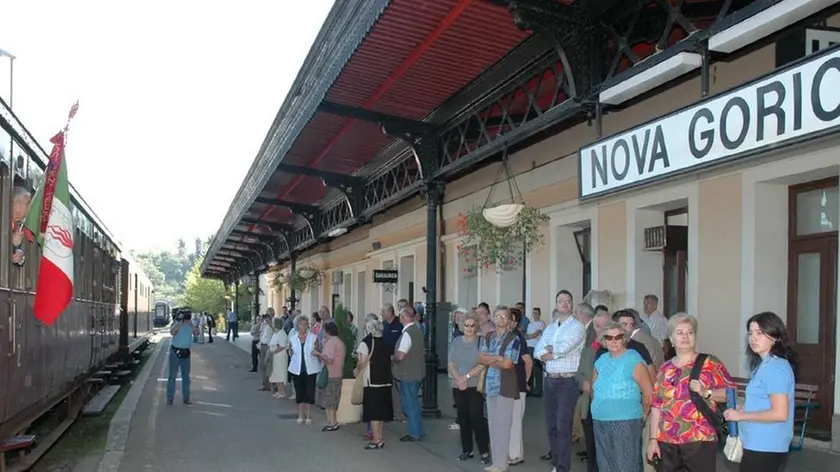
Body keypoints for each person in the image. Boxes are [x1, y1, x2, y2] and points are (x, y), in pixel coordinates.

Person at [723, 312, 797, 472]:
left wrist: (742, 416)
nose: (753, 338)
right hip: (758, 443)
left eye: (760, 333)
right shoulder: (764, 366)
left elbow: (780, 413)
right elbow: (765, 402)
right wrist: (745, 409)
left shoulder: (775, 368)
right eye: (750, 333)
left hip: (766, 445)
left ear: (775, 336)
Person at [591, 322, 653, 472]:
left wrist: (644, 414)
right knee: (605, 465)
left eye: (618, 337)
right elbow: (594, 388)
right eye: (609, 337)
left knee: (625, 466)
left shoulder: (633, 359)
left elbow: (648, 392)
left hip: (626, 421)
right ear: (603, 340)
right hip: (600, 420)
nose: (613, 341)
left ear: (624, 338)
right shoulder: (601, 360)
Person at [448, 312, 490, 464]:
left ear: (476, 326)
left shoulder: (481, 342)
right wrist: (458, 378)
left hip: (473, 386)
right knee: (463, 418)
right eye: (467, 325)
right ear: (462, 326)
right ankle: (467, 450)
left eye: (472, 325)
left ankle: (484, 451)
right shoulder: (457, 341)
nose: (469, 328)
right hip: (458, 385)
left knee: (477, 418)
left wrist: (465, 377)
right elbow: (451, 362)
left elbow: (483, 363)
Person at [357, 314, 394, 450]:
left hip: (371, 381)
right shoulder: (386, 342)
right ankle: (380, 436)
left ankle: (376, 439)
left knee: (373, 412)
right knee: (381, 412)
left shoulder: (366, 342)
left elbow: (362, 361)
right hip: (386, 381)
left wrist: (357, 370)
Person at [288, 315, 321, 424]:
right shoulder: (293, 338)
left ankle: (308, 415)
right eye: (302, 324)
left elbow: (317, 351)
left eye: (306, 324)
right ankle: (300, 415)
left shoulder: (313, 337)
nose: (304, 326)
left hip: (310, 369)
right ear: (297, 326)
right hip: (297, 369)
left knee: (309, 393)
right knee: (299, 392)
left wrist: (315, 353)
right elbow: (291, 353)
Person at [314, 322, 346, 431]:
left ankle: (333, 422)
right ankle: (331, 421)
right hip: (337, 372)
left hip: (330, 373)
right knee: (332, 397)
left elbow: (329, 359)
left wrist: (318, 354)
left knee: (330, 398)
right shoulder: (338, 342)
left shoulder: (332, 343)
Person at [167, 310, 199, 405]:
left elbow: (197, 333)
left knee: (186, 377)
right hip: (175, 352)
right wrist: (180, 322)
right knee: (172, 376)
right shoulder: (176, 323)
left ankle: (186, 398)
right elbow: (172, 332)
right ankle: (170, 398)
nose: (186, 318)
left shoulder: (190, 324)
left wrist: (190, 324)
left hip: (186, 352)